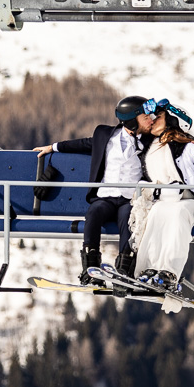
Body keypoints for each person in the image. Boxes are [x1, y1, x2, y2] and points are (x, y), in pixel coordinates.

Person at [33, 95, 156, 284]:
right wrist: (53, 147)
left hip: (129, 199)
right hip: (105, 197)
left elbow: (176, 140)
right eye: (146, 116)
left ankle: (125, 270)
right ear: (132, 121)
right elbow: (83, 144)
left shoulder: (152, 141)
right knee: (94, 213)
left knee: (129, 219)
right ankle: (90, 268)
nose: (151, 119)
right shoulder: (105, 135)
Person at [130, 99, 194, 296]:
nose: (153, 121)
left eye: (158, 117)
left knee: (177, 213)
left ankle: (169, 272)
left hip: (189, 201)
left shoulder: (189, 149)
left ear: (173, 121)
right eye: (151, 117)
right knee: (156, 214)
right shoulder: (149, 147)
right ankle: (148, 269)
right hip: (163, 201)